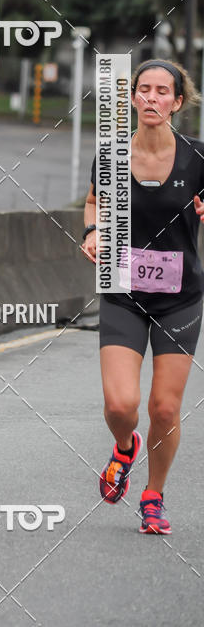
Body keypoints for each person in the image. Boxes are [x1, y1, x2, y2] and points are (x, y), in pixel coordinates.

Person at [82, 59, 204, 534]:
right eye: (144, 89)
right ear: (133, 97)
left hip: (179, 297)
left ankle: (153, 496)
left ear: (177, 101)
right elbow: (94, 202)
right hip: (122, 292)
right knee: (121, 405)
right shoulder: (112, 155)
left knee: (165, 409)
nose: (152, 97)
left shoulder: (197, 157)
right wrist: (93, 231)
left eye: (162, 91)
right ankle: (125, 446)